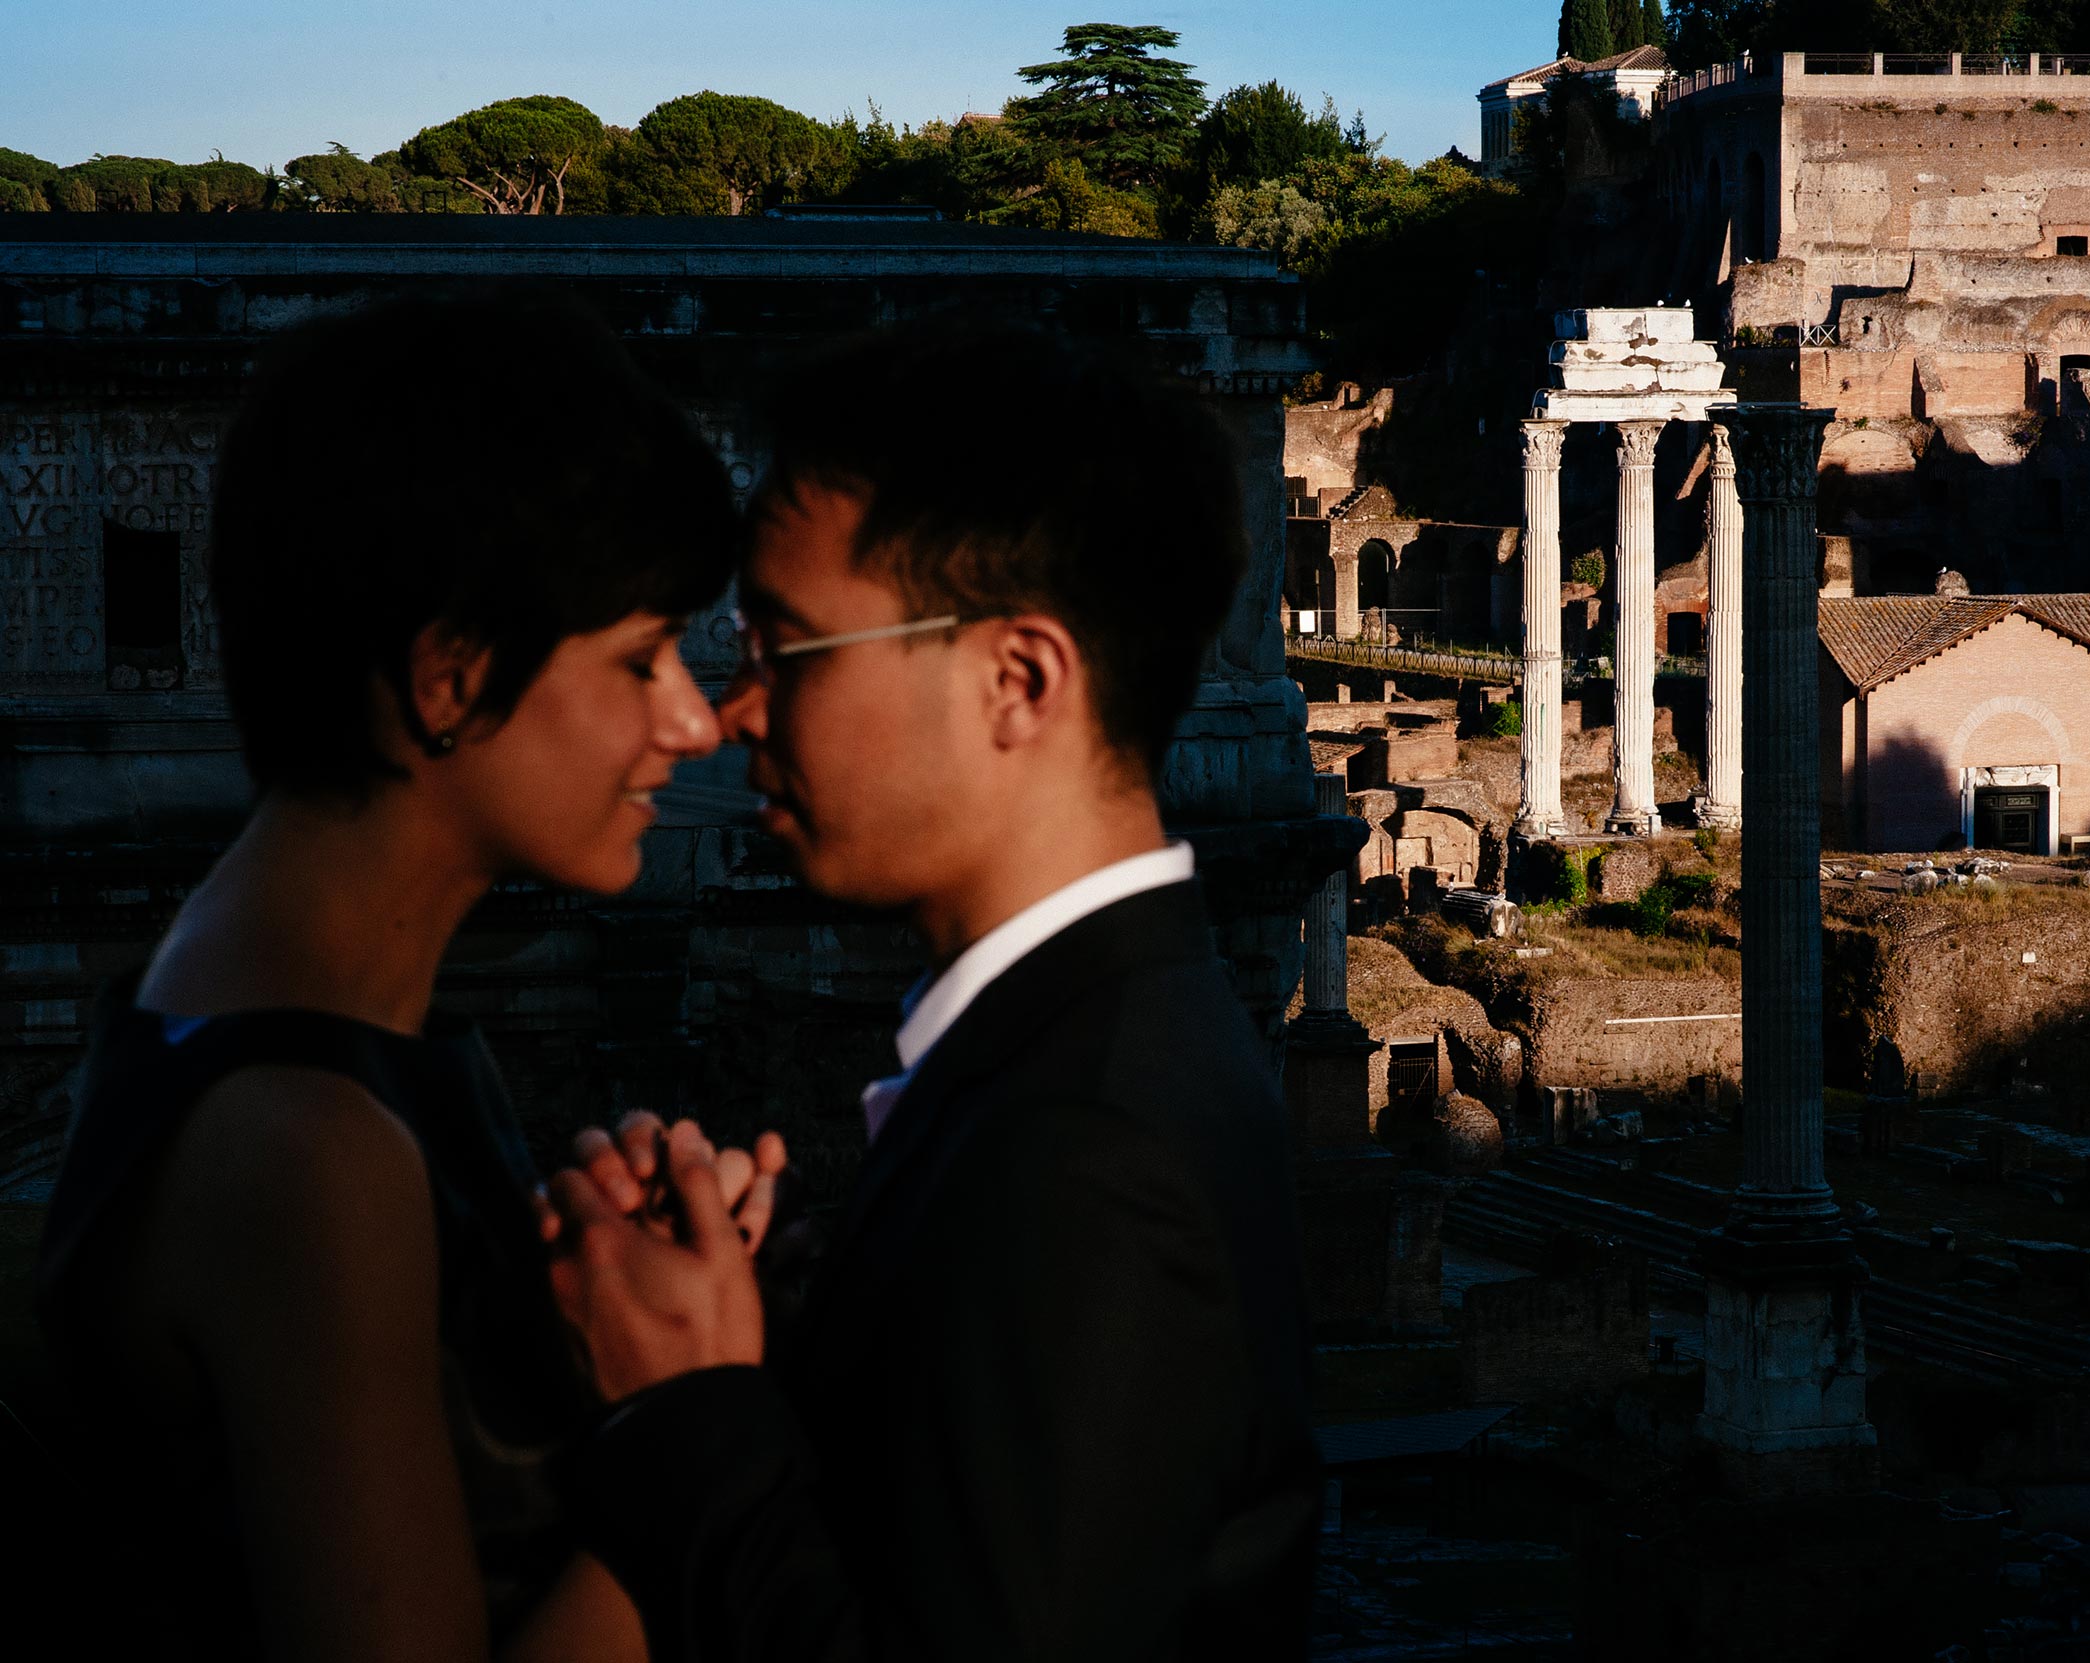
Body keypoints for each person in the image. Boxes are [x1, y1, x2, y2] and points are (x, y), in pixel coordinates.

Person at [545, 324, 1320, 1661]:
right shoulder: (1098, 1060)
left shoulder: (1086, 1156)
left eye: (784, 651)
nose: (732, 714)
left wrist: (689, 1406)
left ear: (1017, 681)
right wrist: (798, 1357)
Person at [35, 288, 782, 1663]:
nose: (693, 719)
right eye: (639, 659)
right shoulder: (307, 1153)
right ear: (449, 678)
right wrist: (683, 1418)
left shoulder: (238, 1020)